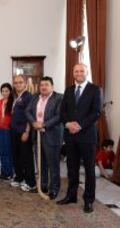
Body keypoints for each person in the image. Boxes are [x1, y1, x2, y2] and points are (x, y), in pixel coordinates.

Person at [57, 63, 101, 213]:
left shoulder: (95, 90)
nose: (79, 73)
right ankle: (71, 196)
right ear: (73, 73)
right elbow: (63, 112)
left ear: (86, 72)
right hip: (70, 136)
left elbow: (96, 112)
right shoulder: (68, 90)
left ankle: (88, 200)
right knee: (72, 168)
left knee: (89, 170)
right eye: (76, 71)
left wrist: (80, 125)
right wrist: (68, 123)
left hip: (87, 136)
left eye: (82, 70)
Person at [25, 76, 63, 200]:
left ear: (52, 86)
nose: (43, 87)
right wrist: (34, 123)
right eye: (41, 85)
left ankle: (54, 189)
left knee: (53, 164)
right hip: (37, 135)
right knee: (41, 163)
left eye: (46, 85)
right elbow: (28, 111)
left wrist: (44, 124)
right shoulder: (36, 97)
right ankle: (43, 186)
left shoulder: (59, 98)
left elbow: (59, 116)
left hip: (51, 135)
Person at [10, 75, 35, 192]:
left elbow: (30, 116)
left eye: (20, 82)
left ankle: (30, 182)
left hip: (23, 132)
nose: (18, 84)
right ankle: (19, 177)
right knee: (17, 156)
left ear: (25, 84)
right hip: (14, 131)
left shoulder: (28, 97)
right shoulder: (16, 96)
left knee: (26, 158)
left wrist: (27, 131)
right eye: (15, 83)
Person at [0, 83, 14, 181]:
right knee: (2, 151)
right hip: (0, 129)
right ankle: (3, 171)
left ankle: (10, 172)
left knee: (8, 152)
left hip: (8, 130)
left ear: (10, 91)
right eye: (3, 91)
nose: (4, 93)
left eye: (6, 91)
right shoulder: (0, 102)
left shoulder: (13, 102)